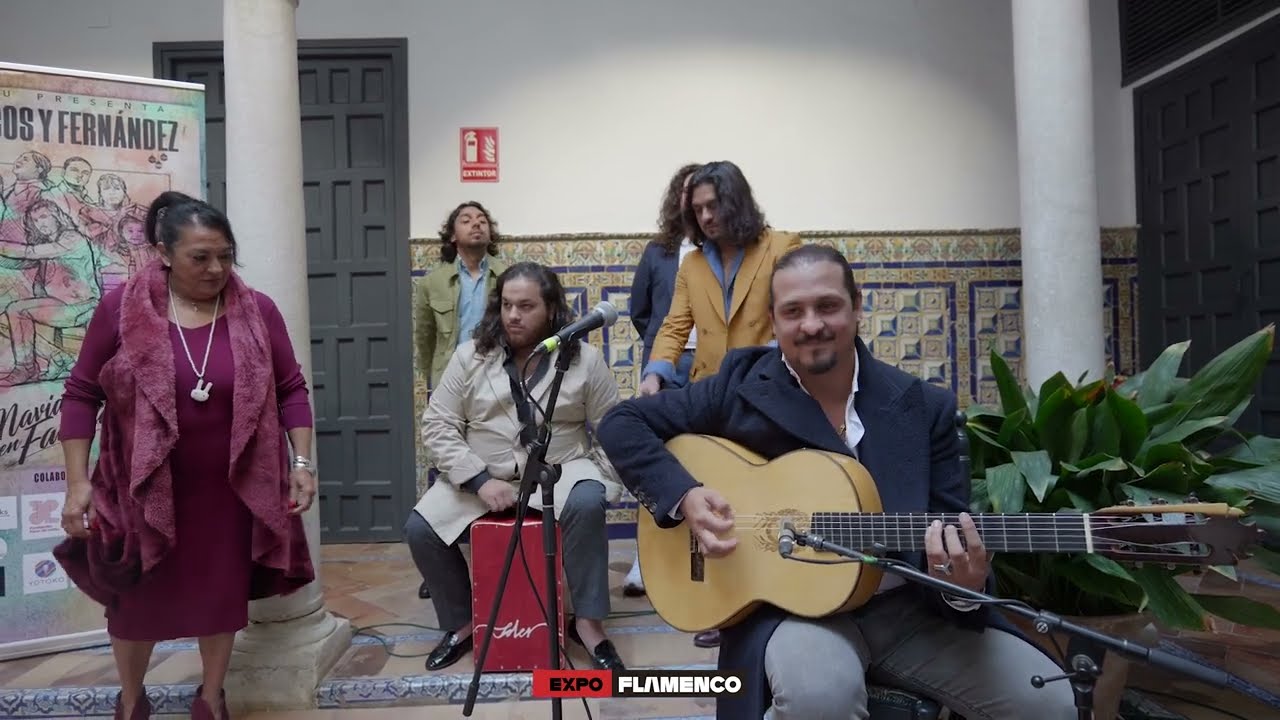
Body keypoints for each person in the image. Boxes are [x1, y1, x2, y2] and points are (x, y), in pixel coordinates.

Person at [596, 244, 1076, 720]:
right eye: (793, 311)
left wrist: (960, 584)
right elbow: (622, 423)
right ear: (773, 320)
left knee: (1051, 702)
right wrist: (685, 495)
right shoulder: (739, 385)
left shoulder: (922, 407)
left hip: (908, 611)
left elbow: (949, 526)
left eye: (827, 306)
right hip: (793, 613)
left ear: (857, 307)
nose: (811, 325)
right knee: (820, 700)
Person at [52, 193, 318, 720]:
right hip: (138, 488)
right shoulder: (122, 309)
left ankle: (211, 697)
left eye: (226, 255)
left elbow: (291, 388)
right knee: (134, 604)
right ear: (164, 253)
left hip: (230, 489)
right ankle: (132, 700)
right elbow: (81, 394)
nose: (216, 268)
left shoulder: (257, 310)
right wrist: (77, 483)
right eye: (200, 257)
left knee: (219, 599)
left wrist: (301, 463)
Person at [404, 262, 627, 673]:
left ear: (551, 310)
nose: (513, 315)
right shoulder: (469, 356)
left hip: (560, 473)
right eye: (506, 305)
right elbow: (438, 424)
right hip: (484, 478)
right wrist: (478, 480)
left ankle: (588, 624)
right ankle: (463, 623)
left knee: (588, 501)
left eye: (525, 306)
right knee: (421, 529)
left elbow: (615, 428)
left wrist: (602, 477)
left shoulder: (585, 360)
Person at [636, 160, 801, 398]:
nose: (706, 217)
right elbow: (674, 327)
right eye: (698, 210)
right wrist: (654, 375)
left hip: (766, 384)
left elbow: (795, 321)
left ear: (737, 203)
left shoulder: (782, 248)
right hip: (708, 389)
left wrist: (763, 369)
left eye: (713, 206)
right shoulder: (692, 263)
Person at [411, 201, 507, 599]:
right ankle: (442, 560)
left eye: (482, 220)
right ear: (453, 235)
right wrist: (436, 379)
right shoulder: (432, 282)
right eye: (466, 220)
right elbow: (424, 338)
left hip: (496, 382)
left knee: (493, 459)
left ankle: (497, 552)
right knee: (449, 467)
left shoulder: (507, 276)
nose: (476, 225)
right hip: (451, 383)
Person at [621, 162, 701, 598]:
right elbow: (640, 311)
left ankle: (699, 557)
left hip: (712, 367)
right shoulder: (658, 252)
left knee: (707, 458)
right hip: (664, 367)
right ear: (677, 198)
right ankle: (644, 559)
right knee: (657, 459)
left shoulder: (722, 251)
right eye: (687, 191)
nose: (694, 200)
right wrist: (662, 356)